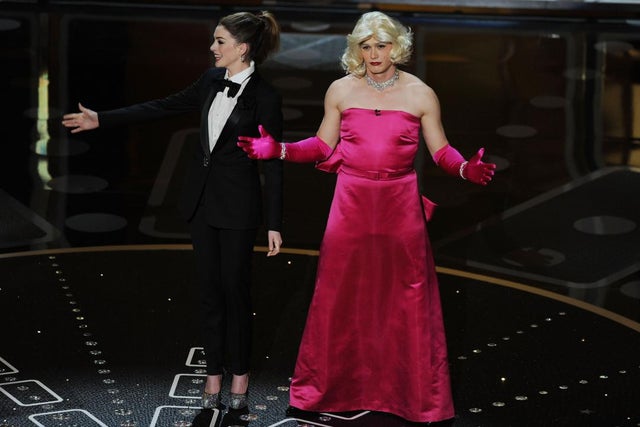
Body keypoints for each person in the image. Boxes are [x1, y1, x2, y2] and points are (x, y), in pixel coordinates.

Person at [237, 11, 496, 423]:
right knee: (337, 294)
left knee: (407, 298)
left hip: (400, 205)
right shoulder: (341, 90)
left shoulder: (420, 93)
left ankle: (416, 400)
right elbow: (322, 146)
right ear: (357, 49)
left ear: (397, 47)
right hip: (351, 202)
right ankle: (326, 391)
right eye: (366, 46)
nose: (374, 54)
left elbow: (441, 151)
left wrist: (466, 169)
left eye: (382, 45)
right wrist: (280, 150)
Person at [62, 11, 284, 412]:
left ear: (242, 48)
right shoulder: (210, 80)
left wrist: (274, 223)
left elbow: (273, 164)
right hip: (201, 203)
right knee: (209, 293)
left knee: (235, 292)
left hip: (238, 208)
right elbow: (162, 106)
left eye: (219, 41)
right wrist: (102, 119)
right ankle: (213, 374)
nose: (212, 47)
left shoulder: (266, 97)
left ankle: (239, 375)